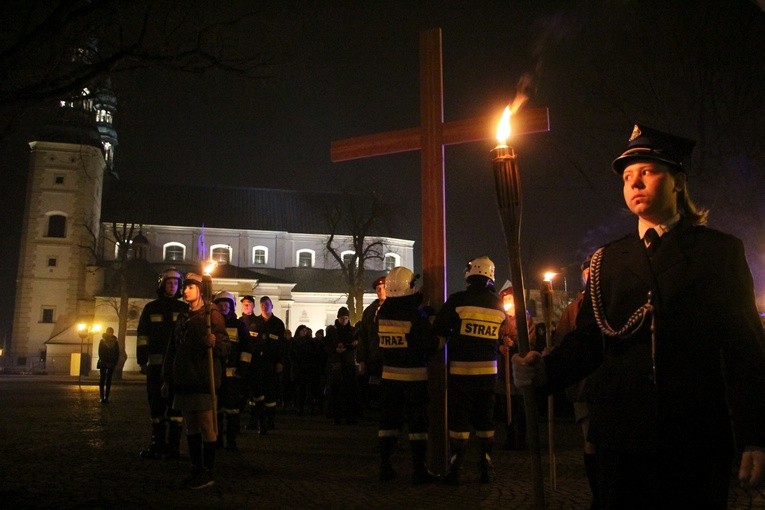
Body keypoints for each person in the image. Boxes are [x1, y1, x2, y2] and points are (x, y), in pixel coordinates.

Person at [513, 124, 765, 508]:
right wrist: (542, 371)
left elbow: (745, 351)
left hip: (694, 440)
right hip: (621, 440)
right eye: (628, 176)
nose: (634, 182)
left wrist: (755, 437)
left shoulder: (719, 253)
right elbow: (588, 344)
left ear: (678, 181)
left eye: (647, 171)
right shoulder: (606, 261)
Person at [432, 256, 507, 485]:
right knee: (486, 419)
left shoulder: (458, 300)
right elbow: (503, 334)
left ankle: (456, 465)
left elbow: (440, 329)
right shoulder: (498, 305)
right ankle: (485, 464)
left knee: (459, 419)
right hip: (488, 374)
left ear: (470, 273)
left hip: (461, 372)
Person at [161, 272, 230, 490]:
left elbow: (225, 344)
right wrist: (167, 378)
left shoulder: (212, 314)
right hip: (184, 379)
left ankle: (208, 471)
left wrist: (214, 342)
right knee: (190, 426)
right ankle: (195, 467)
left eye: (190, 287)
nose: (185, 290)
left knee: (207, 426)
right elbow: (172, 348)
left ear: (200, 289)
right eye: (185, 287)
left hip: (202, 378)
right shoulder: (182, 317)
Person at [375, 267, 439, 484]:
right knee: (417, 425)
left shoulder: (381, 314)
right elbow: (429, 345)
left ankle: (385, 466)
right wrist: (435, 328)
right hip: (414, 378)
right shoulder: (415, 316)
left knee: (388, 423)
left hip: (389, 377)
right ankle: (419, 470)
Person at [550, 255, 599, 508]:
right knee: (590, 438)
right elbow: (562, 343)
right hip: (584, 385)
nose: (591, 277)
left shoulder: (614, 299)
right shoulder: (574, 308)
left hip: (610, 384)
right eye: (587, 273)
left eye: (595, 272)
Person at [136, 268, 189, 460]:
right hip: (156, 367)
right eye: (169, 283)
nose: (172, 286)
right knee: (156, 406)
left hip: (177, 368)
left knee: (176, 409)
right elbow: (142, 336)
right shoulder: (151, 308)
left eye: (175, 283)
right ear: (162, 285)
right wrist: (142, 360)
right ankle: (157, 444)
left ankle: (173, 447)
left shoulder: (184, 309)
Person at [494, 286, 535, 451]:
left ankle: (522, 437)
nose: (508, 302)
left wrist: (515, 345)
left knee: (521, 406)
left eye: (511, 299)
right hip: (504, 372)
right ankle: (509, 436)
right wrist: (499, 347)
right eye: (505, 299)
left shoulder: (526, 320)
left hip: (518, 369)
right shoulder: (499, 320)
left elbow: (530, 342)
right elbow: (493, 338)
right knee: (506, 406)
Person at [212, 291, 252, 451]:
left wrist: (242, 370)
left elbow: (247, 350)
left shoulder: (239, 326)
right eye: (220, 305)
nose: (223, 307)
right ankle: (217, 438)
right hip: (215, 374)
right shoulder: (211, 325)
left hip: (233, 377)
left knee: (233, 410)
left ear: (231, 306)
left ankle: (232, 439)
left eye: (226, 305)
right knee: (217, 409)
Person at [246, 296, 285, 434]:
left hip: (271, 363)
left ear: (272, 306)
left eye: (266, 304)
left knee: (270, 394)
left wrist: (280, 362)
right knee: (255, 394)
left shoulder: (278, 324)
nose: (264, 306)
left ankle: (270, 421)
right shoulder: (254, 323)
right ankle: (254, 420)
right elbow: (250, 342)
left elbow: (282, 345)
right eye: (262, 304)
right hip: (256, 363)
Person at [325, 306, 359, 425]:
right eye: (342, 318)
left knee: (350, 391)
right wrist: (335, 349)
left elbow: (357, 344)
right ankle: (337, 416)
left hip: (348, 364)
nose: (344, 320)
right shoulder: (332, 331)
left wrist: (353, 345)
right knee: (336, 392)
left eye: (346, 318)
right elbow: (326, 346)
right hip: (336, 364)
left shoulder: (352, 330)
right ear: (338, 318)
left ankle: (350, 416)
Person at [357, 276, 386, 413]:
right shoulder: (369, 311)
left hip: (388, 356)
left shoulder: (395, 308)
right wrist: (361, 359)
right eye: (378, 289)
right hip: (373, 356)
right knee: (374, 384)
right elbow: (363, 336)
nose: (380, 291)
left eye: (383, 288)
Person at [97, 327, 119, 403]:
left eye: (111, 332)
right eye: (109, 332)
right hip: (109, 362)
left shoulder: (102, 341)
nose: (110, 333)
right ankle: (104, 397)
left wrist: (107, 361)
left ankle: (104, 397)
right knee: (106, 380)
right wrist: (114, 362)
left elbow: (100, 352)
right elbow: (117, 353)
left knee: (104, 380)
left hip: (105, 362)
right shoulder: (115, 342)